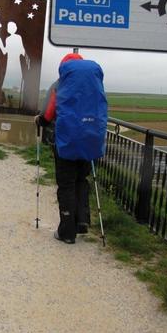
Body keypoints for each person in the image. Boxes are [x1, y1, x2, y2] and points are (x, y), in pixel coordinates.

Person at [35, 52, 107, 244]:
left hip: (67, 141)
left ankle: (67, 231)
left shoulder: (59, 85)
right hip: (90, 140)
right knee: (81, 180)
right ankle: (81, 221)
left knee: (66, 183)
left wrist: (40, 121)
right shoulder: (95, 84)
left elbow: (47, 114)